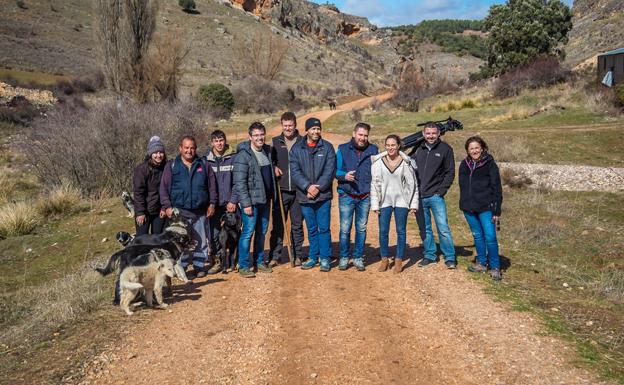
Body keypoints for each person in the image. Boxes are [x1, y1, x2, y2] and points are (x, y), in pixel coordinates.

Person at [160, 135, 217, 279]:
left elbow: (212, 186)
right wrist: (167, 206)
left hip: (200, 211)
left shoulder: (203, 164)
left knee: (201, 241)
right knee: (181, 242)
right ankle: (183, 267)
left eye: (192, 148)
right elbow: (164, 188)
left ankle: (199, 267)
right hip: (180, 213)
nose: (189, 151)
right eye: (186, 148)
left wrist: (212, 203)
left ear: (196, 149)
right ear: (180, 148)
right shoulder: (172, 166)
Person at [290, 117, 336, 272]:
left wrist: (318, 188)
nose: (316, 131)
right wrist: (307, 187)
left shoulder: (327, 147)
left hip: (323, 196)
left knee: (324, 228)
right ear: (307, 130)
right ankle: (313, 257)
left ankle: (324, 258)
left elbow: (330, 171)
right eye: (313, 129)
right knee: (311, 228)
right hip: (304, 196)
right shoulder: (297, 149)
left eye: (318, 129)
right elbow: (295, 172)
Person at [370, 135, 418, 273]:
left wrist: (413, 204)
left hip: (401, 201)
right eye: (388, 145)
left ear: (398, 146)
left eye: (393, 145)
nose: (391, 148)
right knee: (383, 231)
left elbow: (412, 184)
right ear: (385, 146)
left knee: (401, 231)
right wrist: (375, 204)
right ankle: (384, 259)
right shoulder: (378, 162)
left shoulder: (405, 162)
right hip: (384, 201)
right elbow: (375, 184)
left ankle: (398, 259)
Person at [412, 122, 457, 269]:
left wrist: (441, 191)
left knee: (443, 227)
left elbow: (450, 172)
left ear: (438, 134)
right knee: (424, 228)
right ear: (424, 134)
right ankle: (430, 254)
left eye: (433, 133)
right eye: (428, 133)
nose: (431, 136)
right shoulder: (418, 149)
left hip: (436, 196)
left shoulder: (445, 149)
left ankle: (450, 257)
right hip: (419, 196)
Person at [458, 136, 503, 281]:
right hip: (469, 208)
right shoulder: (464, 165)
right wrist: (464, 203)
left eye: (477, 147)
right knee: (477, 235)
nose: (474, 151)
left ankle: (495, 267)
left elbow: (497, 187)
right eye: (471, 148)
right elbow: (462, 186)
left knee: (490, 237)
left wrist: (496, 209)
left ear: (482, 148)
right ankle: (482, 263)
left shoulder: (489, 164)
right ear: (467, 150)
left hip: (486, 208)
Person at [233, 122, 274, 278]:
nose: (259, 138)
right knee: (248, 233)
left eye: (261, 134)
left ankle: (259, 261)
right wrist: (246, 203)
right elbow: (239, 182)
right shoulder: (243, 156)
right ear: (250, 137)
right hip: (251, 203)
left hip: (265, 200)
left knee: (262, 232)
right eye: (256, 135)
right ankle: (243, 265)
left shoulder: (266, 152)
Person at [335, 122, 378, 271]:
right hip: (347, 194)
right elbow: (335, 171)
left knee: (361, 228)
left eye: (366, 135)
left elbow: (377, 172)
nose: (363, 138)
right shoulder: (342, 149)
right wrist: (344, 176)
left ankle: (358, 257)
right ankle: (344, 257)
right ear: (354, 134)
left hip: (364, 196)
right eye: (360, 135)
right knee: (345, 229)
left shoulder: (374, 150)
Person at [268, 112, 305, 267]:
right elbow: (270, 161)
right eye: (285, 125)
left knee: (297, 225)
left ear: (295, 125)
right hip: (281, 190)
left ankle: (297, 255)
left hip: (298, 191)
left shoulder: (303, 142)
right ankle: (275, 256)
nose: (288, 128)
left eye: (290, 125)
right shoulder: (275, 142)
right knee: (277, 225)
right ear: (281, 125)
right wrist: (274, 167)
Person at [204, 130, 238, 274]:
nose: (219, 143)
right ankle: (218, 260)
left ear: (225, 140)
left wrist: (234, 199)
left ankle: (234, 260)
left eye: (221, 140)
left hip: (229, 204)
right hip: (213, 205)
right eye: (216, 141)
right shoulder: (205, 160)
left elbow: (238, 181)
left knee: (235, 233)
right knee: (215, 234)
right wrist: (208, 203)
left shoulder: (233, 158)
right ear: (212, 143)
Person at [133, 136, 167, 236]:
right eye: (155, 153)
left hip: (159, 211)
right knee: (142, 239)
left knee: (158, 238)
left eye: (161, 152)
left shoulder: (166, 167)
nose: (158, 155)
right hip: (145, 211)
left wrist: (165, 207)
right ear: (150, 154)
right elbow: (138, 192)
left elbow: (168, 190)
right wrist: (140, 213)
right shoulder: (142, 170)